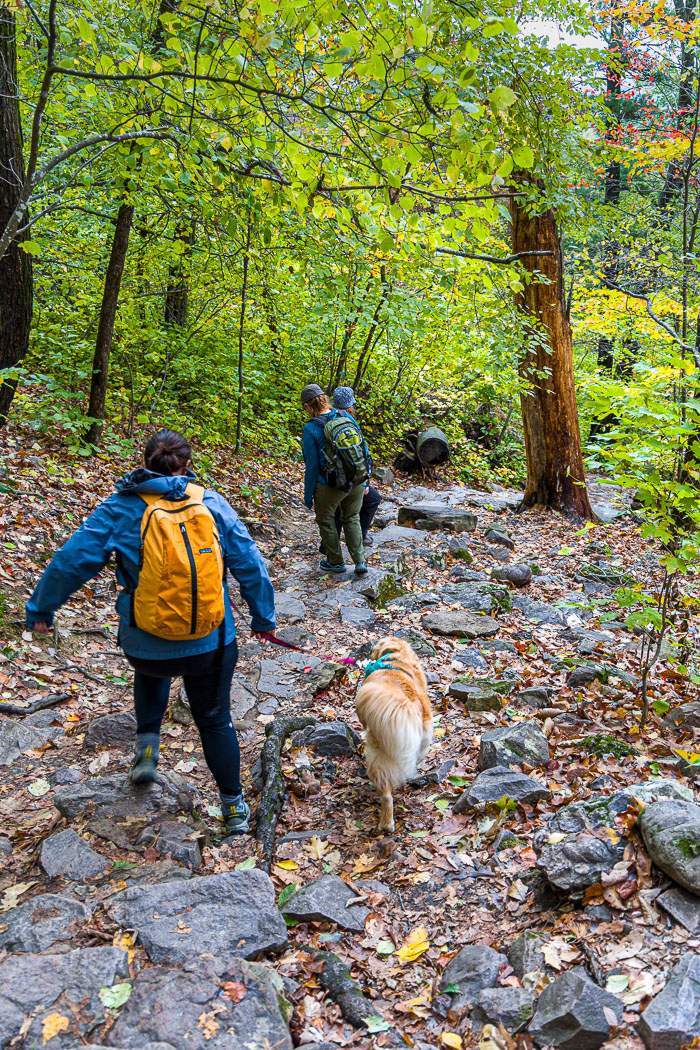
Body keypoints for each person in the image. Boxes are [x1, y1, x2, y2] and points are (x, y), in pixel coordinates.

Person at [25, 429, 276, 838]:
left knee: (152, 669)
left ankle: (147, 746)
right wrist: (262, 618)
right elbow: (250, 561)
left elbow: (73, 558)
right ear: (188, 465)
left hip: (144, 644)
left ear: (145, 464)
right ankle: (233, 809)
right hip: (210, 642)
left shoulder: (120, 507)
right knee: (214, 720)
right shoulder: (210, 502)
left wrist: (41, 608)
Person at [301, 383, 369, 575]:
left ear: (307, 406)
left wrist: (308, 496)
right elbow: (363, 449)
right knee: (351, 517)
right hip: (356, 479)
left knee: (325, 519)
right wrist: (366, 479)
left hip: (331, 485)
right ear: (325, 398)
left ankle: (336, 562)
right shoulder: (345, 416)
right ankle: (360, 562)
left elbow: (312, 466)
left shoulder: (311, 428)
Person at [330, 386, 381, 548]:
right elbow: (362, 453)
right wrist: (364, 481)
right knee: (372, 499)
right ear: (350, 405)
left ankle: (330, 545)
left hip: (332, 475)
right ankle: (360, 536)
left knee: (338, 506)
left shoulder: (327, 419)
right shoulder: (350, 422)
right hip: (351, 476)